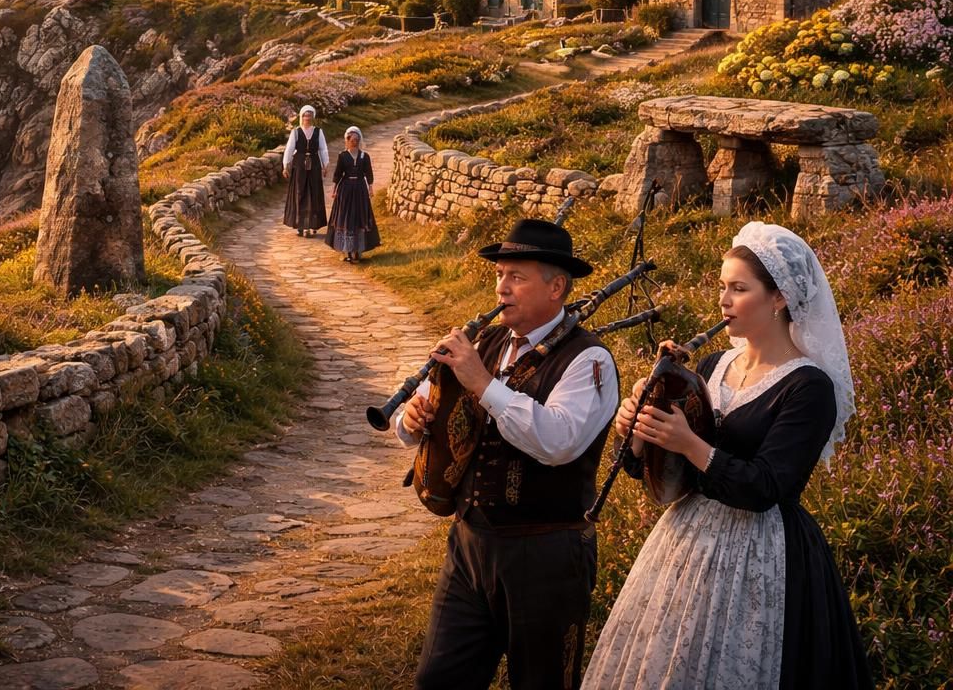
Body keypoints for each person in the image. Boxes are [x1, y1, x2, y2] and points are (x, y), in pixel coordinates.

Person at [582, 222, 868, 689]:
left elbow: (767, 487)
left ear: (778, 299)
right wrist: (639, 430)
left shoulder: (809, 387)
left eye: (739, 288)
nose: (723, 300)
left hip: (764, 552)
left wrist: (689, 443)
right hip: (685, 542)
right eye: (721, 286)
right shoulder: (714, 366)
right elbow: (660, 473)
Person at [397, 218, 619, 690]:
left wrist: (483, 383)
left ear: (557, 287)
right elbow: (450, 419)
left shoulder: (589, 359)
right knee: (438, 680)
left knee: (540, 683)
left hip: (546, 555)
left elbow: (559, 442)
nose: (501, 288)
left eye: (516, 276)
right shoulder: (489, 343)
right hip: (470, 544)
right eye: (499, 275)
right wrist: (413, 421)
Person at [325, 125, 380, 263]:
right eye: (352, 139)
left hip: (360, 190)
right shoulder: (343, 156)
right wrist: (334, 188)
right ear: (347, 140)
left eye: (356, 139)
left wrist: (370, 187)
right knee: (346, 218)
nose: (354, 141)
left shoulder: (364, 156)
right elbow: (338, 174)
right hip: (346, 191)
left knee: (359, 218)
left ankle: (357, 251)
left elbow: (368, 173)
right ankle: (347, 251)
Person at [281, 104, 328, 237]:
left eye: (310, 115)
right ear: (302, 117)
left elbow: (323, 149)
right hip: (300, 165)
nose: (307, 118)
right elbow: (289, 149)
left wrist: (325, 165)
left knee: (314, 193)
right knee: (300, 193)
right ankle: (300, 224)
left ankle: (313, 224)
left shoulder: (318, 132)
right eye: (305, 115)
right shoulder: (296, 132)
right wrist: (285, 165)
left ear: (313, 117)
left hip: (314, 164)